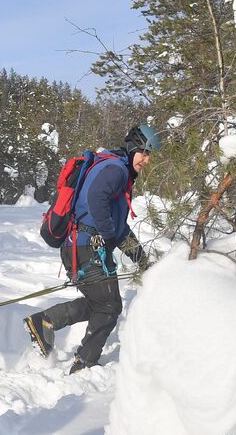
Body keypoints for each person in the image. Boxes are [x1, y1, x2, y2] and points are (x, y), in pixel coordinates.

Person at [25, 124, 160, 373]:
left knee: (100, 302)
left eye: (149, 155)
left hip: (79, 247)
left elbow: (118, 227)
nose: (146, 160)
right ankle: (85, 361)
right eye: (144, 152)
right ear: (132, 149)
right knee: (110, 306)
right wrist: (106, 235)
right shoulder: (117, 170)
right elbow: (98, 199)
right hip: (87, 247)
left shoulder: (115, 168)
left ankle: (45, 322)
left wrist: (140, 257)